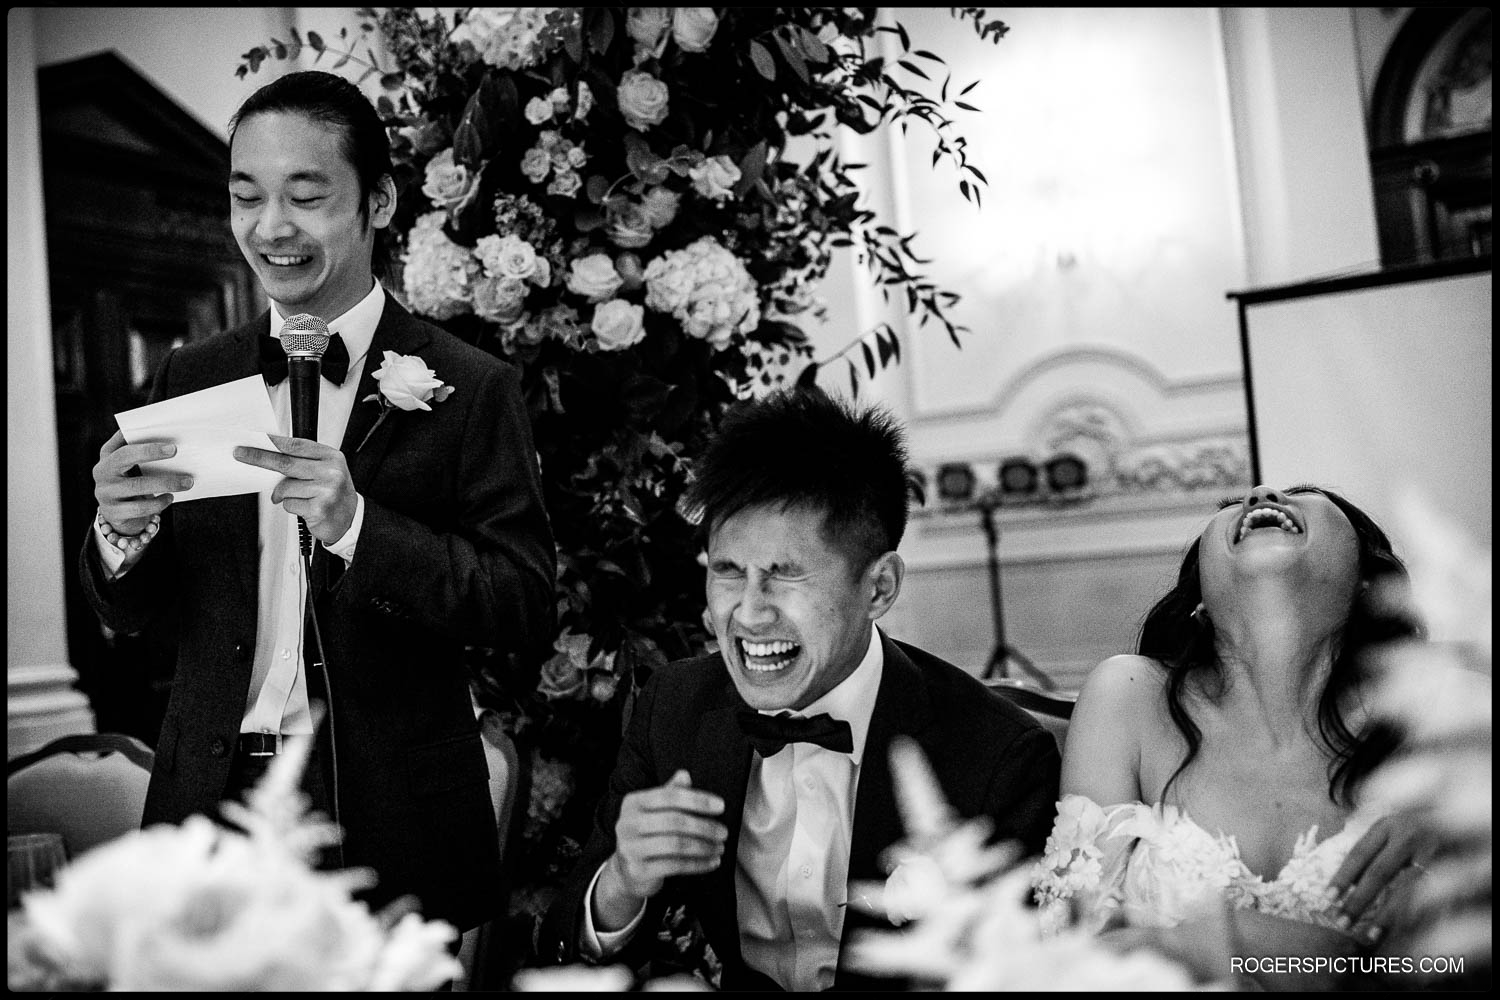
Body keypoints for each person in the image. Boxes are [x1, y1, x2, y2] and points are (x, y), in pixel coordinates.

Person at [79, 70, 555, 935]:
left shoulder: (472, 386)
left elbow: (521, 601)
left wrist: (359, 528)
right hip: (211, 802)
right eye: (246, 197)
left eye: (305, 196)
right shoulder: (191, 372)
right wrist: (121, 530)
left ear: (378, 201)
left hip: (393, 814)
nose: (271, 228)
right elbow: (138, 613)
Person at [536, 388, 1061, 991]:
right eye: (729, 572)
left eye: (787, 576)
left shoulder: (995, 755)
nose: (750, 614)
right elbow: (566, 951)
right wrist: (623, 880)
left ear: (880, 588)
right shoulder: (675, 709)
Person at [1032, 484, 1426, 989]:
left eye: (1304, 494)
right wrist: (1318, 954)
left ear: (1366, 583)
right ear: (1199, 601)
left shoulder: (1433, 714)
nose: (1261, 494)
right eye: (1227, 511)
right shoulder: (1128, 696)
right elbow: (1072, 943)